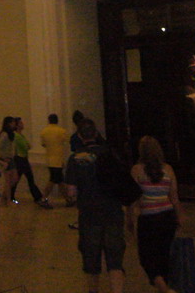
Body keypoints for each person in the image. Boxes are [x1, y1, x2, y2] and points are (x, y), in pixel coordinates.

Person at [65, 119, 126, 293]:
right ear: (96, 133)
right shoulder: (111, 153)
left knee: (91, 259)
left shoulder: (75, 158)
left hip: (89, 214)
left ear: (79, 136)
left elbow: (71, 191)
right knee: (115, 260)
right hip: (113, 211)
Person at [128, 136, 182, 293]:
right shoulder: (168, 169)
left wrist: (130, 220)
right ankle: (164, 287)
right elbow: (174, 197)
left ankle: (164, 289)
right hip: (167, 216)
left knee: (146, 256)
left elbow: (134, 200)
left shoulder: (137, 170)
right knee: (163, 255)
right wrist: (179, 217)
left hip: (149, 218)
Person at [12, 117, 51, 208]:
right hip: (20, 160)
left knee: (22, 179)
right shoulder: (16, 136)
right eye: (20, 123)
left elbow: (28, 146)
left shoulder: (21, 135)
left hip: (23, 159)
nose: (23, 124)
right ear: (17, 125)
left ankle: (10, 196)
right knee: (25, 179)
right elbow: (26, 146)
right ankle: (37, 197)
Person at [41, 113, 71, 204]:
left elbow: (43, 144)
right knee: (55, 180)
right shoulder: (61, 131)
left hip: (49, 159)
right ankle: (44, 198)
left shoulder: (44, 131)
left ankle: (68, 199)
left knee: (59, 180)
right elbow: (67, 141)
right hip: (58, 160)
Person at [0, 116, 18, 206]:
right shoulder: (4, 134)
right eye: (12, 122)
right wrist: (3, 157)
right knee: (8, 181)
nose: (14, 124)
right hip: (5, 159)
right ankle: (7, 200)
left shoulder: (12, 134)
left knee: (14, 178)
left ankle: (3, 197)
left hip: (11, 158)